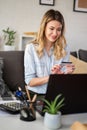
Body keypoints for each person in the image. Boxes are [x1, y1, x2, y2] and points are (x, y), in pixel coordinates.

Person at [24, 9, 75, 95]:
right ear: (44, 28)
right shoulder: (31, 48)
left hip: (57, 93)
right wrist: (52, 77)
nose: (55, 33)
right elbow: (29, 81)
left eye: (58, 29)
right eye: (51, 29)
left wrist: (67, 74)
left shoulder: (64, 48)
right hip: (37, 94)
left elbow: (63, 77)